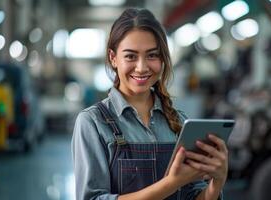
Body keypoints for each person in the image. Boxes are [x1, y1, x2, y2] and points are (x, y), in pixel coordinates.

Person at [72, 8, 228, 200]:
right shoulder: (93, 123)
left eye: (152, 55)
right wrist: (171, 183)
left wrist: (217, 182)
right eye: (130, 56)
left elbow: (194, 196)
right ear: (113, 58)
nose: (142, 67)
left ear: (162, 59)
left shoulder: (180, 122)